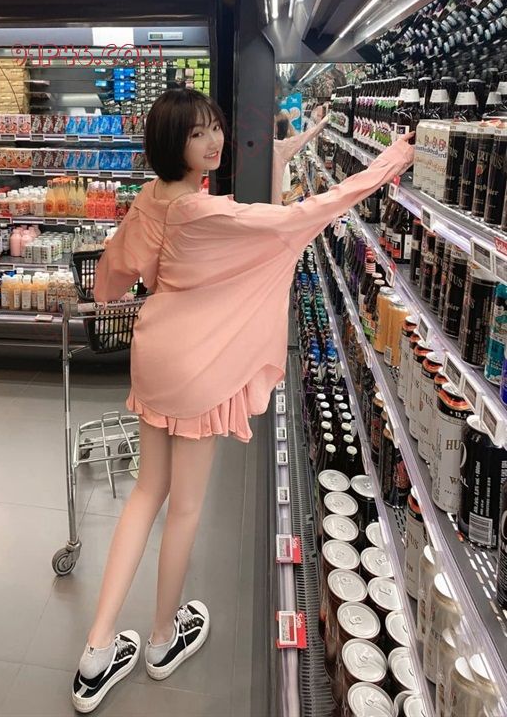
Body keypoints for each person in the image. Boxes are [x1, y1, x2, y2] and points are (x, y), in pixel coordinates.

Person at [71, 87, 414, 713]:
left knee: (146, 494)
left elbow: (111, 281)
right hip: (198, 366)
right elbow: (298, 219)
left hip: (154, 352)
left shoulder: (151, 201)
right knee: (184, 508)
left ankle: (97, 649)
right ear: (173, 143)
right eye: (197, 132)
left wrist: (294, 146)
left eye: (215, 127)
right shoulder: (209, 213)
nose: (214, 141)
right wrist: (388, 162)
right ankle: (162, 638)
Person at [272, 106, 329, 204]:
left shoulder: (277, 147)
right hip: (274, 208)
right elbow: (303, 137)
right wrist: (325, 120)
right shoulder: (279, 147)